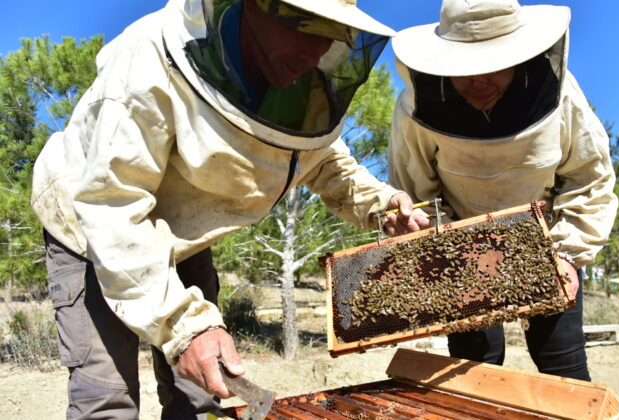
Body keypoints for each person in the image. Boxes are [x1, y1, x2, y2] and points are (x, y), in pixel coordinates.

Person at [31, 0, 429, 418]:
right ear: (251, 6)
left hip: (184, 235)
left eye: (332, 33)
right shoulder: (149, 62)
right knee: (106, 400)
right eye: (304, 23)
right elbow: (112, 204)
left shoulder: (298, 84)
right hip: (91, 231)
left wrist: (382, 204)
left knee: (199, 393)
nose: (316, 51)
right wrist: (184, 329)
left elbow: (323, 160)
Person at [387, 0, 618, 381]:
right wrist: (428, 242)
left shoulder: (561, 94)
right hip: (463, 247)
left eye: (495, 65)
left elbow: (588, 177)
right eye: (465, 69)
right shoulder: (416, 107)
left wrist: (568, 251)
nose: (479, 82)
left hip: (549, 243)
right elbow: (415, 195)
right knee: (473, 371)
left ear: (521, 57)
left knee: (563, 367)